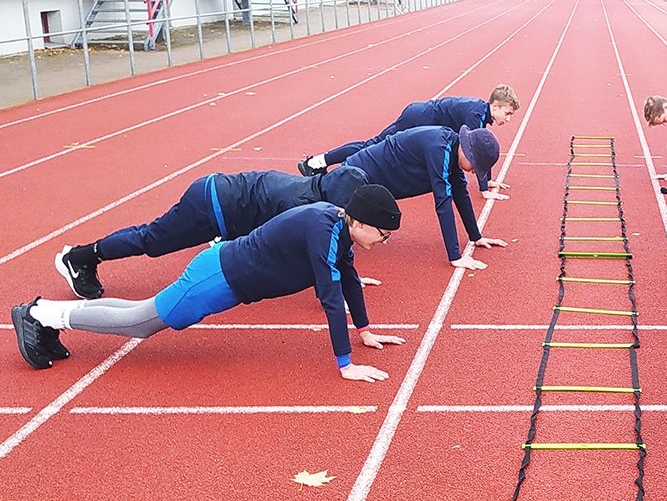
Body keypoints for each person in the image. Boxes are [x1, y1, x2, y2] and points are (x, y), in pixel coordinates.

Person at [13, 185, 406, 383]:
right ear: (361, 221)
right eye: (384, 235)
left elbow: (349, 279)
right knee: (141, 322)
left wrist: (366, 330)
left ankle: (45, 315)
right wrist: (345, 364)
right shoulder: (325, 231)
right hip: (217, 277)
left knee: (143, 313)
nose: (383, 242)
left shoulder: (336, 227)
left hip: (223, 273)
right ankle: (39, 314)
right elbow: (331, 298)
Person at [53, 166, 369, 300]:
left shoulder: (316, 191)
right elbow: (310, 252)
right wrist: (333, 280)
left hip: (225, 198)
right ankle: (79, 257)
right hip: (211, 205)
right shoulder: (301, 204)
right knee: (151, 240)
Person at [298, 85, 520, 199]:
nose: (507, 119)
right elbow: (473, 152)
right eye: (507, 113)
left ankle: (319, 163)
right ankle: (317, 162)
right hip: (417, 118)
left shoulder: (480, 113)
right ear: (495, 105)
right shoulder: (475, 114)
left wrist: (486, 180)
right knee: (370, 146)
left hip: (420, 116)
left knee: (371, 145)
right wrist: (483, 188)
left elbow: (477, 151)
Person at [342, 125, 507, 270]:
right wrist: (455, 256)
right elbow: (443, 202)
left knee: (344, 227)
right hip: (357, 174)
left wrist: (475, 236)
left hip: (376, 178)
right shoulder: (439, 148)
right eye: (475, 166)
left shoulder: (452, 151)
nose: (473, 172)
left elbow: (461, 194)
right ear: (467, 152)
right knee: (337, 225)